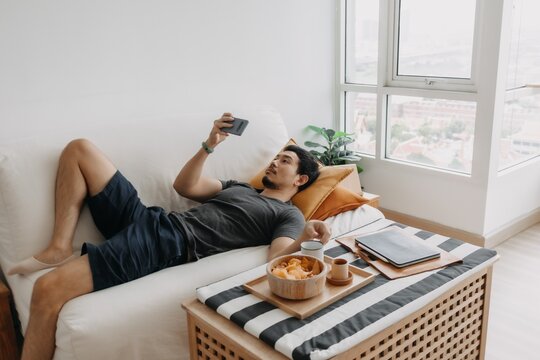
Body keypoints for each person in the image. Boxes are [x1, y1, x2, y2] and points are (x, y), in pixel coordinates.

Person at [8, 112, 331, 360]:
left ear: (300, 179)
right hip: (152, 218)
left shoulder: (288, 215)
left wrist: (304, 236)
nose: (275, 162)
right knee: (80, 149)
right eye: (276, 157)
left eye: (285, 161)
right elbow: (185, 188)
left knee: (47, 289)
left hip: (169, 243)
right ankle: (59, 245)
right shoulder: (242, 188)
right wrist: (210, 144)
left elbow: (277, 258)